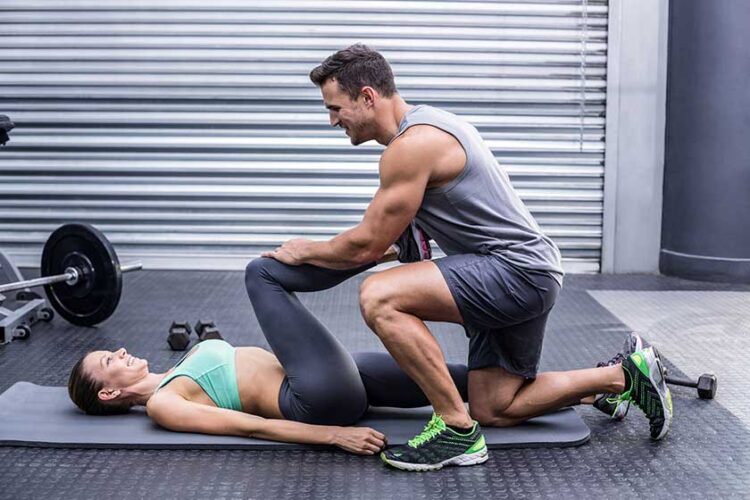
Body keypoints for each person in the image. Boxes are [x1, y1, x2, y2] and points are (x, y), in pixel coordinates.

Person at [261, 43, 673, 471]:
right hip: (528, 270)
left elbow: (366, 244)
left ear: (367, 96)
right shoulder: (430, 128)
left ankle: (456, 430)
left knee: (379, 297)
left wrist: (305, 250)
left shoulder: (411, 146)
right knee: (495, 407)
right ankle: (623, 376)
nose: (332, 121)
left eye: (335, 108)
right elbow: (398, 245)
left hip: (515, 270)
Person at [66, 251, 469, 455]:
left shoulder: (177, 370)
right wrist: (333, 436)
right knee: (260, 273)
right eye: (108, 361)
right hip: (314, 399)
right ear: (108, 394)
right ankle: (386, 251)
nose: (119, 351)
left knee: (464, 381)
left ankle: (514, 391)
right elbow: (250, 427)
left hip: (337, 380)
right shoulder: (163, 404)